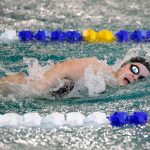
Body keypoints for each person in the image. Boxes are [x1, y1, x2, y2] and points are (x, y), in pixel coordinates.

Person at [0, 56, 149, 96]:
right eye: (134, 69)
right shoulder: (99, 69)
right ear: (124, 66)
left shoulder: (109, 88)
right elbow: (63, 67)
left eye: (140, 78)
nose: (135, 76)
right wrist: (38, 88)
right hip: (17, 86)